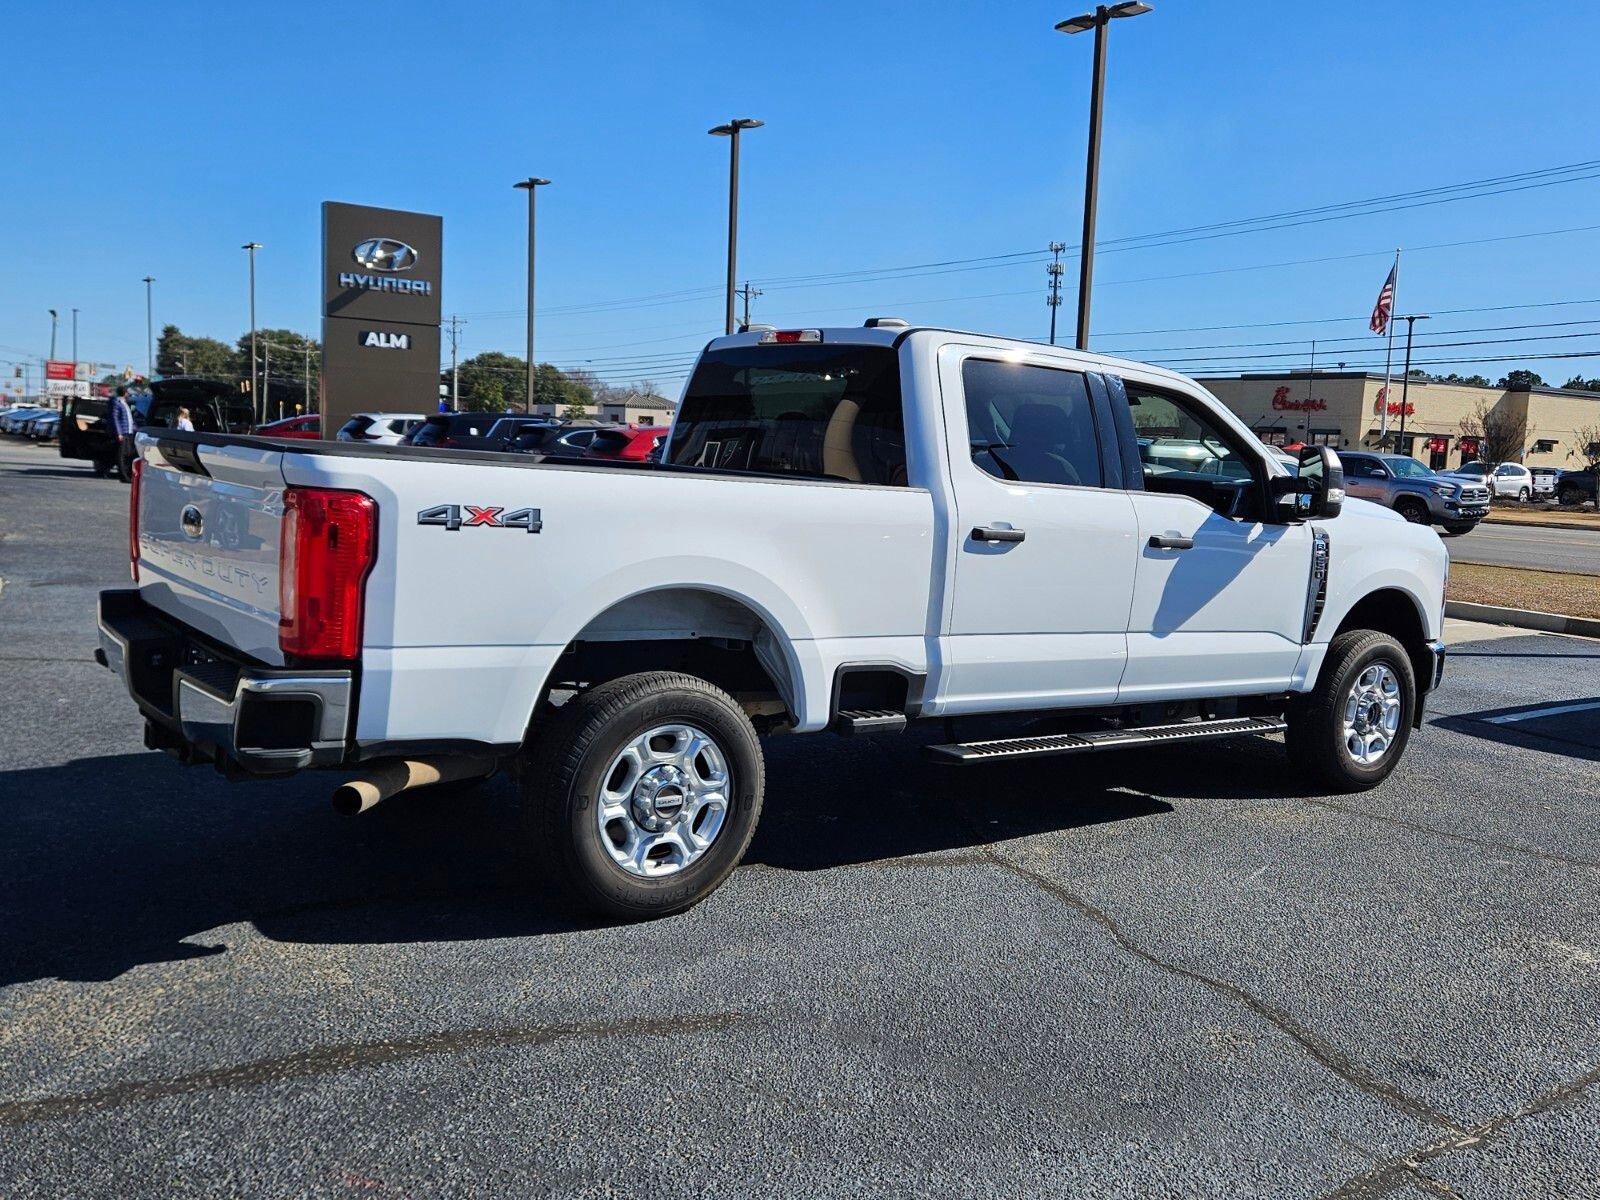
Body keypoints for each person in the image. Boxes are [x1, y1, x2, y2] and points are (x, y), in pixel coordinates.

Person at [109, 386, 136, 482]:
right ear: (124, 393)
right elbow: (115, 418)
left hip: (128, 432)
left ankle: (127, 474)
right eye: (127, 392)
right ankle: (123, 476)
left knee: (128, 454)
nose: (128, 394)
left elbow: (129, 419)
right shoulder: (116, 402)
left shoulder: (124, 403)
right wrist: (119, 433)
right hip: (122, 433)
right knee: (121, 455)